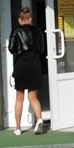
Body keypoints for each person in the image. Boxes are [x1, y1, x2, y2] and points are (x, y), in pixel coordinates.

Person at [7, 7, 45, 135]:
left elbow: (11, 48)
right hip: (34, 65)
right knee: (33, 97)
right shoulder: (38, 31)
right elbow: (42, 49)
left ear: (19, 20)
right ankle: (39, 120)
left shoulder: (16, 31)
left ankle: (18, 128)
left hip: (21, 66)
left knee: (19, 98)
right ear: (30, 19)